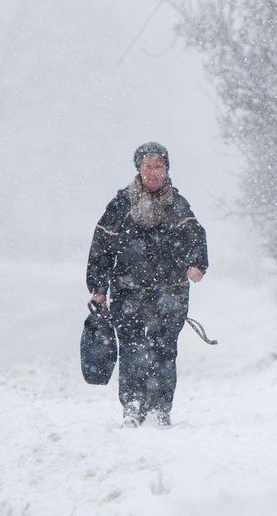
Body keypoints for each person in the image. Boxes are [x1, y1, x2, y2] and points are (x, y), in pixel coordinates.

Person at [86, 142, 208, 427]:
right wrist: (98, 288)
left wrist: (197, 265)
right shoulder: (121, 205)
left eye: (159, 166)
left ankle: (160, 407)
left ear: (167, 169)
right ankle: (133, 404)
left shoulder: (178, 205)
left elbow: (196, 236)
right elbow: (101, 246)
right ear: (138, 169)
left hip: (171, 291)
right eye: (148, 166)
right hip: (128, 291)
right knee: (131, 347)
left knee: (164, 348)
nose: (154, 172)